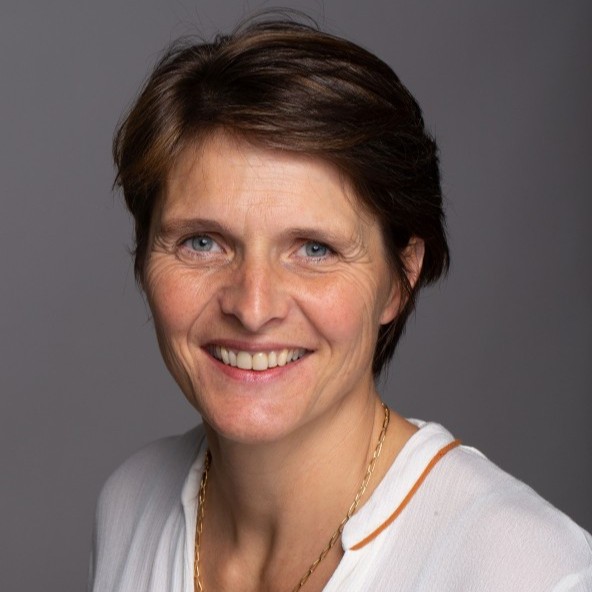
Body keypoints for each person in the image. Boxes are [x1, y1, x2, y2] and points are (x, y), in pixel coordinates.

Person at [88, 15, 592, 592]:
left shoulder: (526, 570)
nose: (253, 307)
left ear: (401, 277)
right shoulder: (129, 505)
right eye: (202, 242)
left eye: (315, 249)